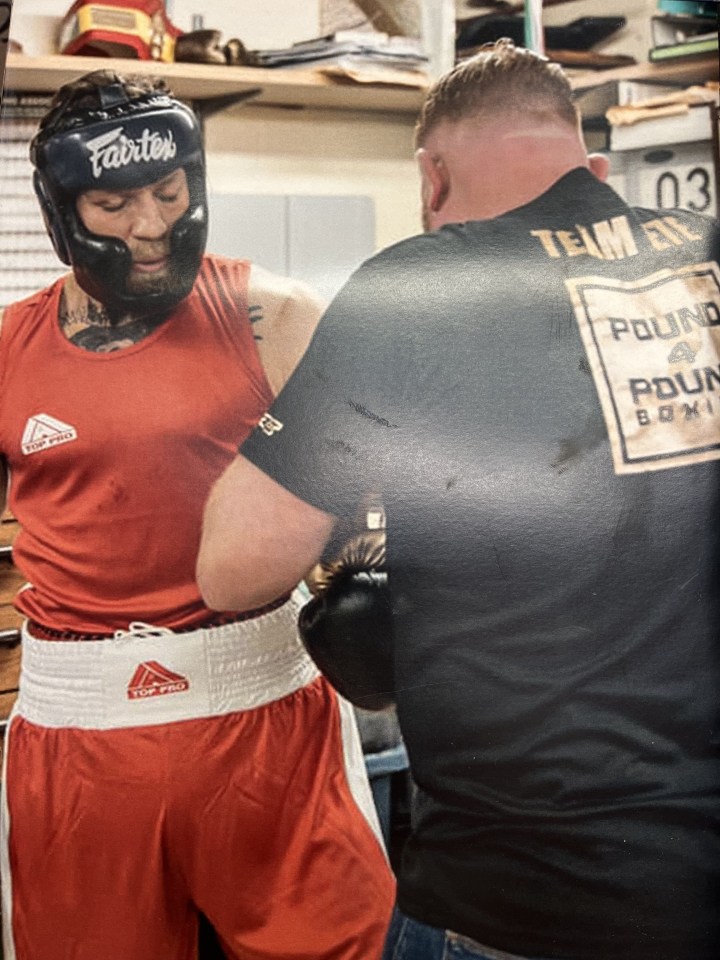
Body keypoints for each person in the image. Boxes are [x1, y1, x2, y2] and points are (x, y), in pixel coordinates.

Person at [197, 39, 720, 960]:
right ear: (588, 163)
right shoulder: (704, 263)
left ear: (431, 176)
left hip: (526, 889)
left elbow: (235, 568)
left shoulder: (419, 286)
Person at [0, 68, 395, 960]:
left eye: (168, 192)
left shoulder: (278, 317)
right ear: (61, 210)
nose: (150, 227)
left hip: (266, 720)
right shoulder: (7, 350)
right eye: (112, 203)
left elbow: (362, 507)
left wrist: (373, 572)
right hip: (78, 740)